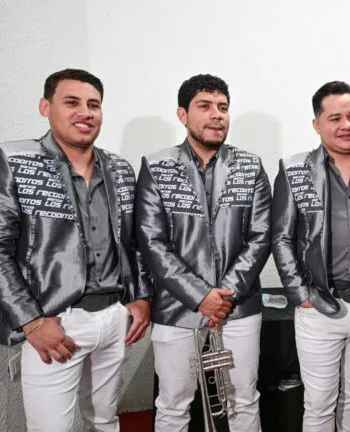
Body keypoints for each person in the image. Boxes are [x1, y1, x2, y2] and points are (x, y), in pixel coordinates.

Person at [0, 68, 151, 432]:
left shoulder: (120, 168)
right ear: (45, 107)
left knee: (105, 421)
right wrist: (31, 321)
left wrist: (140, 297)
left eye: (94, 105)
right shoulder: (13, 160)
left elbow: (133, 242)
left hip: (114, 317)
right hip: (54, 321)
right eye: (72, 102)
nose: (85, 112)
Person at [135, 74, 271, 431]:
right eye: (205, 106)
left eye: (223, 107)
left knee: (244, 399)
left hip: (238, 307)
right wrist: (200, 296)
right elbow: (151, 241)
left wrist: (224, 296)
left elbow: (261, 236)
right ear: (182, 114)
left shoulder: (251, 165)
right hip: (176, 308)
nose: (216, 115)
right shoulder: (156, 165)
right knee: (173, 404)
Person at [271, 81, 350, 431]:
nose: (347, 125)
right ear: (317, 124)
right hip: (319, 308)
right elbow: (281, 237)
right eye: (336, 118)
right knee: (319, 404)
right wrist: (300, 294)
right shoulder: (294, 170)